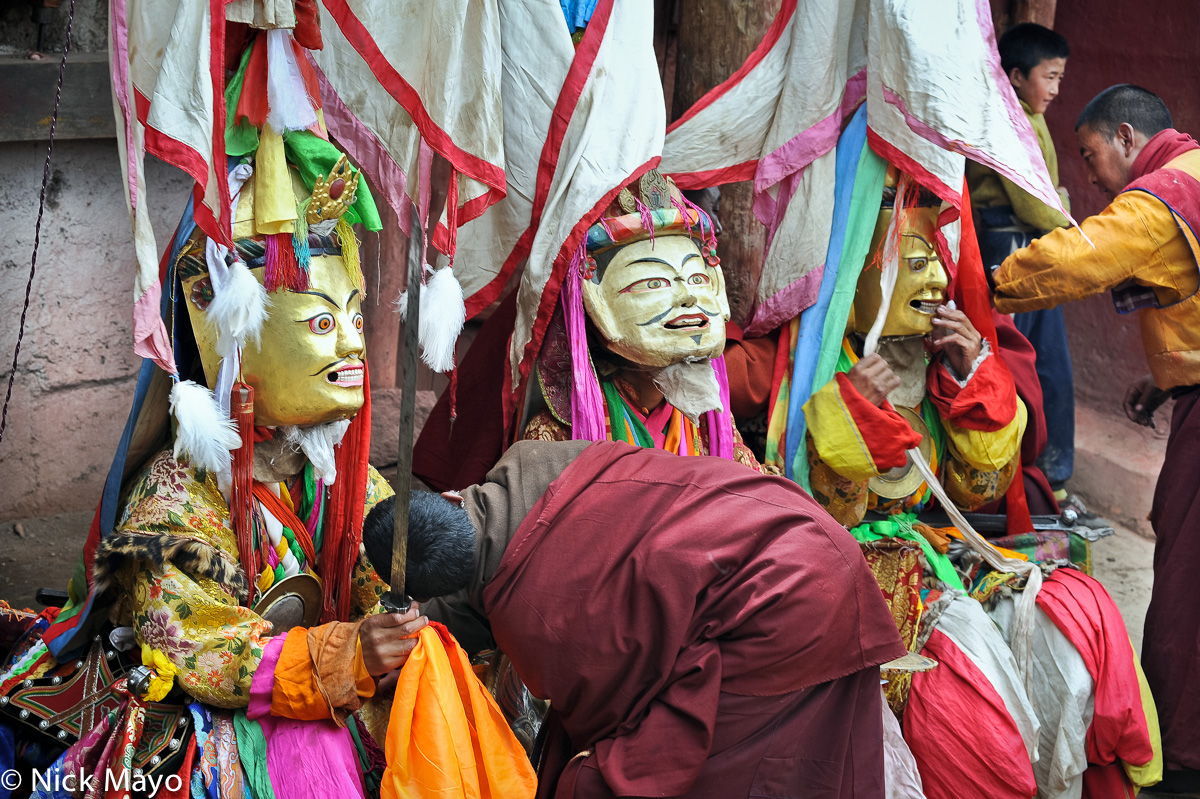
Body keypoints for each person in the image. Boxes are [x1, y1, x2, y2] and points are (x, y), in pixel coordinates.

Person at [366, 439, 906, 799]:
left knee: (638, 774)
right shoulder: (532, 465)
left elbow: (611, 713)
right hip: (798, 525)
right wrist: (422, 635)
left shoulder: (540, 617)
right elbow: (482, 583)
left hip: (781, 608)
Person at [992, 83, 1200, 793]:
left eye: (1090, 157)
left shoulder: (1164, 195)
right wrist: (1171, 378)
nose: (1088, 176)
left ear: (1124, 136)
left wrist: (986, 285)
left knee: (1187, 589)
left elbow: (1077, 259)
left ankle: (1184, 755)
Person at [522, 170, 761, 468]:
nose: (688, 296)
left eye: (697, 278)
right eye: (654, 283)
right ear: (599, 305)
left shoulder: (709, 421)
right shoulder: (562, 434)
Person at [967, 23, 1101, 523]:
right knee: (1020, 360)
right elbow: (1037, 199)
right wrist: (1068, 216)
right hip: (1012, 242)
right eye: (1051, 77)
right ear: (1017, 76)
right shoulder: (1008, 121)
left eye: (1062, 78)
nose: (1057, 89)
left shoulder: (1023, 115)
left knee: (1043, 361)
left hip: (1027, 238)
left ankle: (1045, 474)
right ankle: (1027, 474)